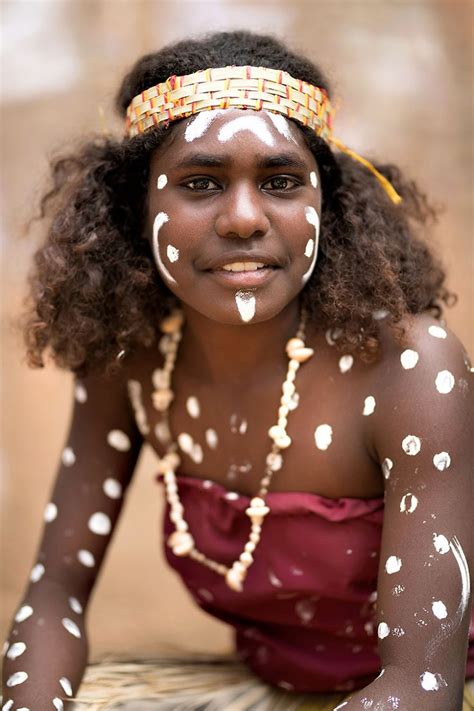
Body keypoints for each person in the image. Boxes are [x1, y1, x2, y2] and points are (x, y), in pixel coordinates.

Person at [2, 29, 473, 711]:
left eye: (281, 182)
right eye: (200, 182)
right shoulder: (132, 359)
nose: (246, 217)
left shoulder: (410, 370)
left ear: (327, 209)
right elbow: (54, 594)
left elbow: (420, 683)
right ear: (137, 213)